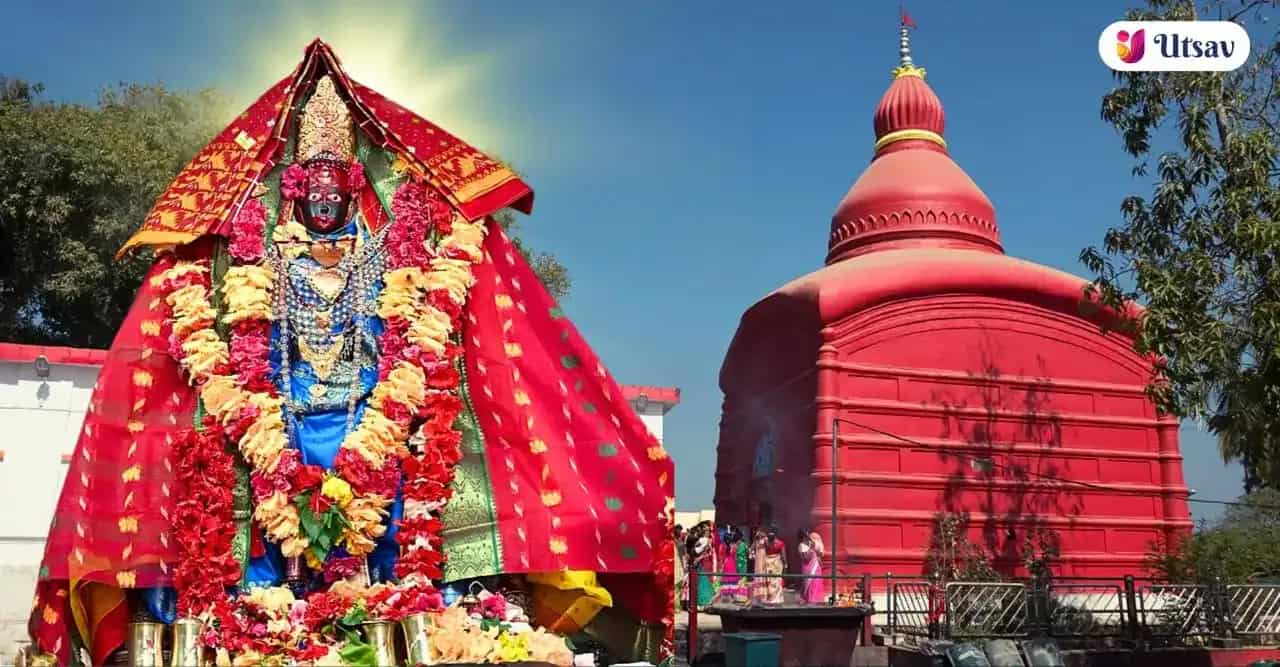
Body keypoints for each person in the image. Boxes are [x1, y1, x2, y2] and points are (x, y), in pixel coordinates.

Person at [25, 41, 678, 667]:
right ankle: (265, 618)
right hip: (277, 429)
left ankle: (402, 611)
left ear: (356, 189)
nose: (323, 202)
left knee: (395, 501)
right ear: (291, 189)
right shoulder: (258, 255)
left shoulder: (387, 253)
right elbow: (240, 343)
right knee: (265, 504)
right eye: (311, 190)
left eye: (336, 190)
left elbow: (411, 333)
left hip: (373, 424)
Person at [756, 526, 786, 605]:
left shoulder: (766, 542)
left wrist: (761, 535)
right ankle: (776, 599)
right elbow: (783, 556)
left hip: (768, 563)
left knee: (769, 581)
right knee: (777, 581)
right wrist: (785, 565)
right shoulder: (780, 543)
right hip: (776, 563)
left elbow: (758, 544)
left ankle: (769, 599)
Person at [798, 529, 827, 605]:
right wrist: (810, 549)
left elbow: (819, 553)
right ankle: (809, 599)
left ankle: (817, 599)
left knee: (817, 582)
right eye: (806, 536)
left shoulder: (811, 543)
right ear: (803, 537)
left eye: (808, 535)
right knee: (809, 583)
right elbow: (806, 559)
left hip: (816, 565)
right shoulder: (801, 545)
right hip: (808, 567)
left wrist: (818, 553)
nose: (808, 537)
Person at [674, 525, 688, 610]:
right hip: (676, 564)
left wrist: (684, 565)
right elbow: (684, 555)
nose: (680, 532)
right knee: (676, 585)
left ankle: (677, 605)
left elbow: (684, 555)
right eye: (679, 531)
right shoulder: (677, 542)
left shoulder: (680, 542)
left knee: (678, 585)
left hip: (679, 564)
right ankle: (676, 606)